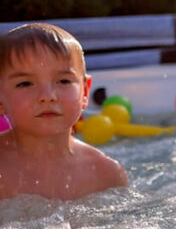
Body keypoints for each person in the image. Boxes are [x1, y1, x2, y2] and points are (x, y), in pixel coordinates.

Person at [0, 23, 127, 201]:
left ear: (84, 92)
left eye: (63, 81)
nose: (47, 96)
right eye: (25, 83)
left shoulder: (105, 175)